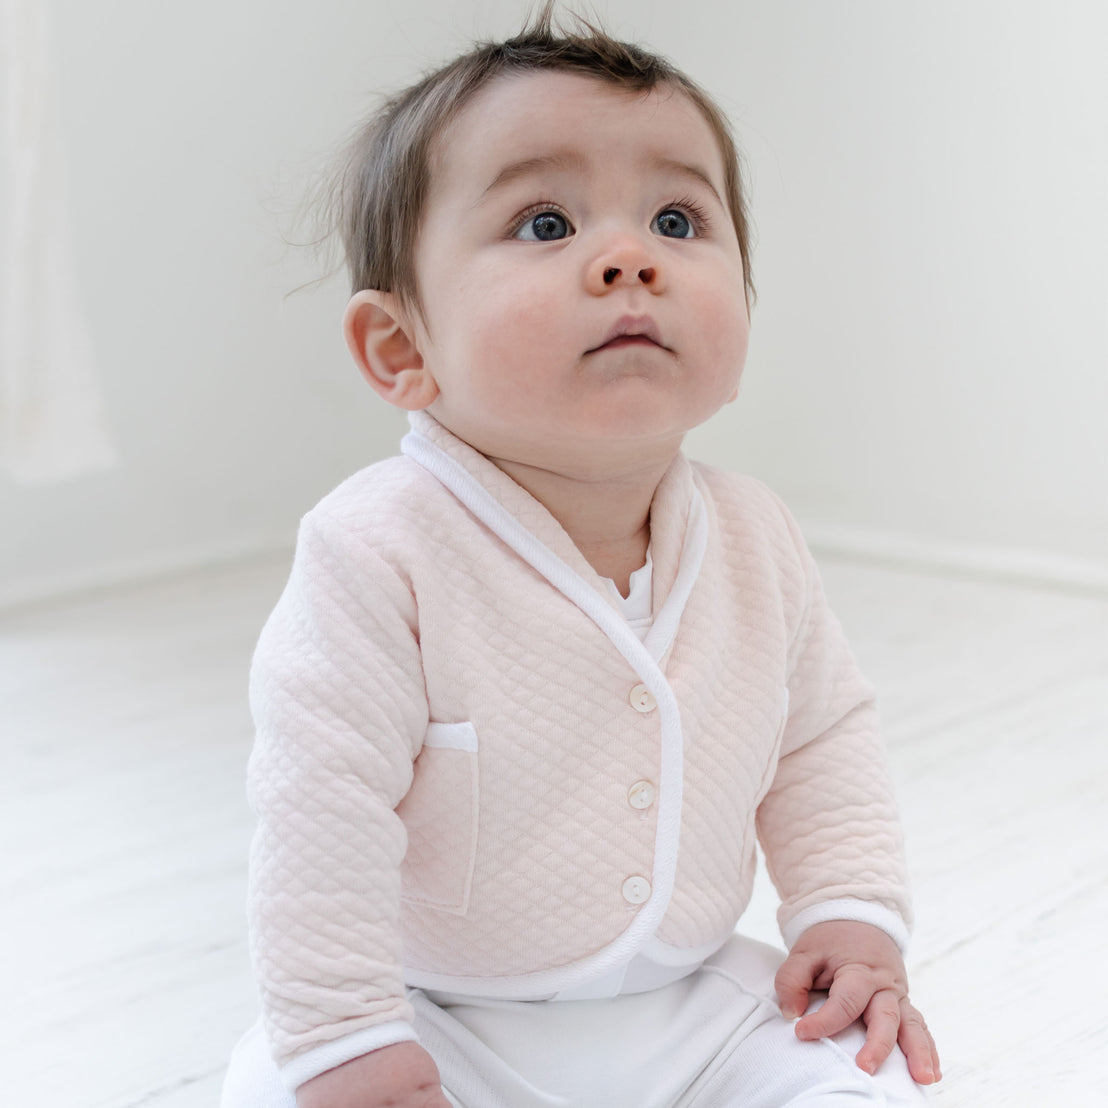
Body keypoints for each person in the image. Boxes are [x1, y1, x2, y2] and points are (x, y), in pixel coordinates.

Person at [222, 5, 942, 1106]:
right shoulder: (376, 551)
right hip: (440, 1014)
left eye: (675, 219)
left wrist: (849, 913)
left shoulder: (756, 536)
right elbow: (320, 808)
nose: (628, 261)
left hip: (692, 999)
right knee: (278, 1082)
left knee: (873, 1075)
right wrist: (348, 1038)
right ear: (402, 347)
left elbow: (819, 741)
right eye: (547, 223)